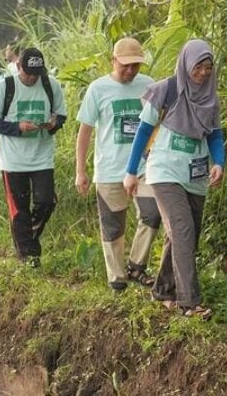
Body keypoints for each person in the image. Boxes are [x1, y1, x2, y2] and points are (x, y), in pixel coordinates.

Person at [124, 39, 224, 319]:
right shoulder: (166, 90)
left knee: (185, 235)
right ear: (185, 65)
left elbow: (215, 134)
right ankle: (189, 302)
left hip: (195, 174)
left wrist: (219, 162)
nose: (203, 73)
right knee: (182, 230)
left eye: (208, 68)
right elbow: (143, 131)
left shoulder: (210, 98)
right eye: (197, 68)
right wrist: (131, 171)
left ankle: (163, 290)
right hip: (164, 170)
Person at [75, 38, 161, 292]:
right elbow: (85, 132)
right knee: (113, 226)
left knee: (152, 213)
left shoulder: (149, 86)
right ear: (113, 61)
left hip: (144, 167)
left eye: (135, 66)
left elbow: (158, 122)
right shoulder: (97, 89)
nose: (130, 71)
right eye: (125, 66)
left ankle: (136, 265)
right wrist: (80, 171)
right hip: (109, 169)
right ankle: (117, 278)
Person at [0, 48, 67, 267]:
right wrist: (17, 127)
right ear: (19, 67)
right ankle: (28, 256)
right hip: (12, 160)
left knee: (46, 201)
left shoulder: (51, 85)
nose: (32, 78)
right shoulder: (5, 87)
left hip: (42, 157)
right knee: (19, 209)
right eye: (28, 73)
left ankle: (27, 242)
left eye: (37, 73)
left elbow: (61, 115)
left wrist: (53, 123)